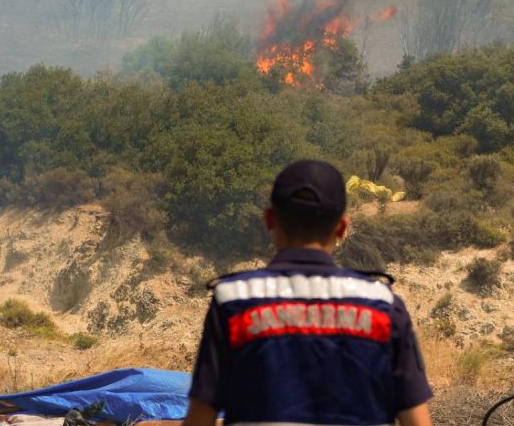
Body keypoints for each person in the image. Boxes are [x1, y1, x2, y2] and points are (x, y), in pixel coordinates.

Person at [183, 159, 434, 426]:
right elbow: (416, 420)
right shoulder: (383, 306)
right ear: (342, 228)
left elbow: (201, 417)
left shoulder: (233, 302)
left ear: (269, 220)